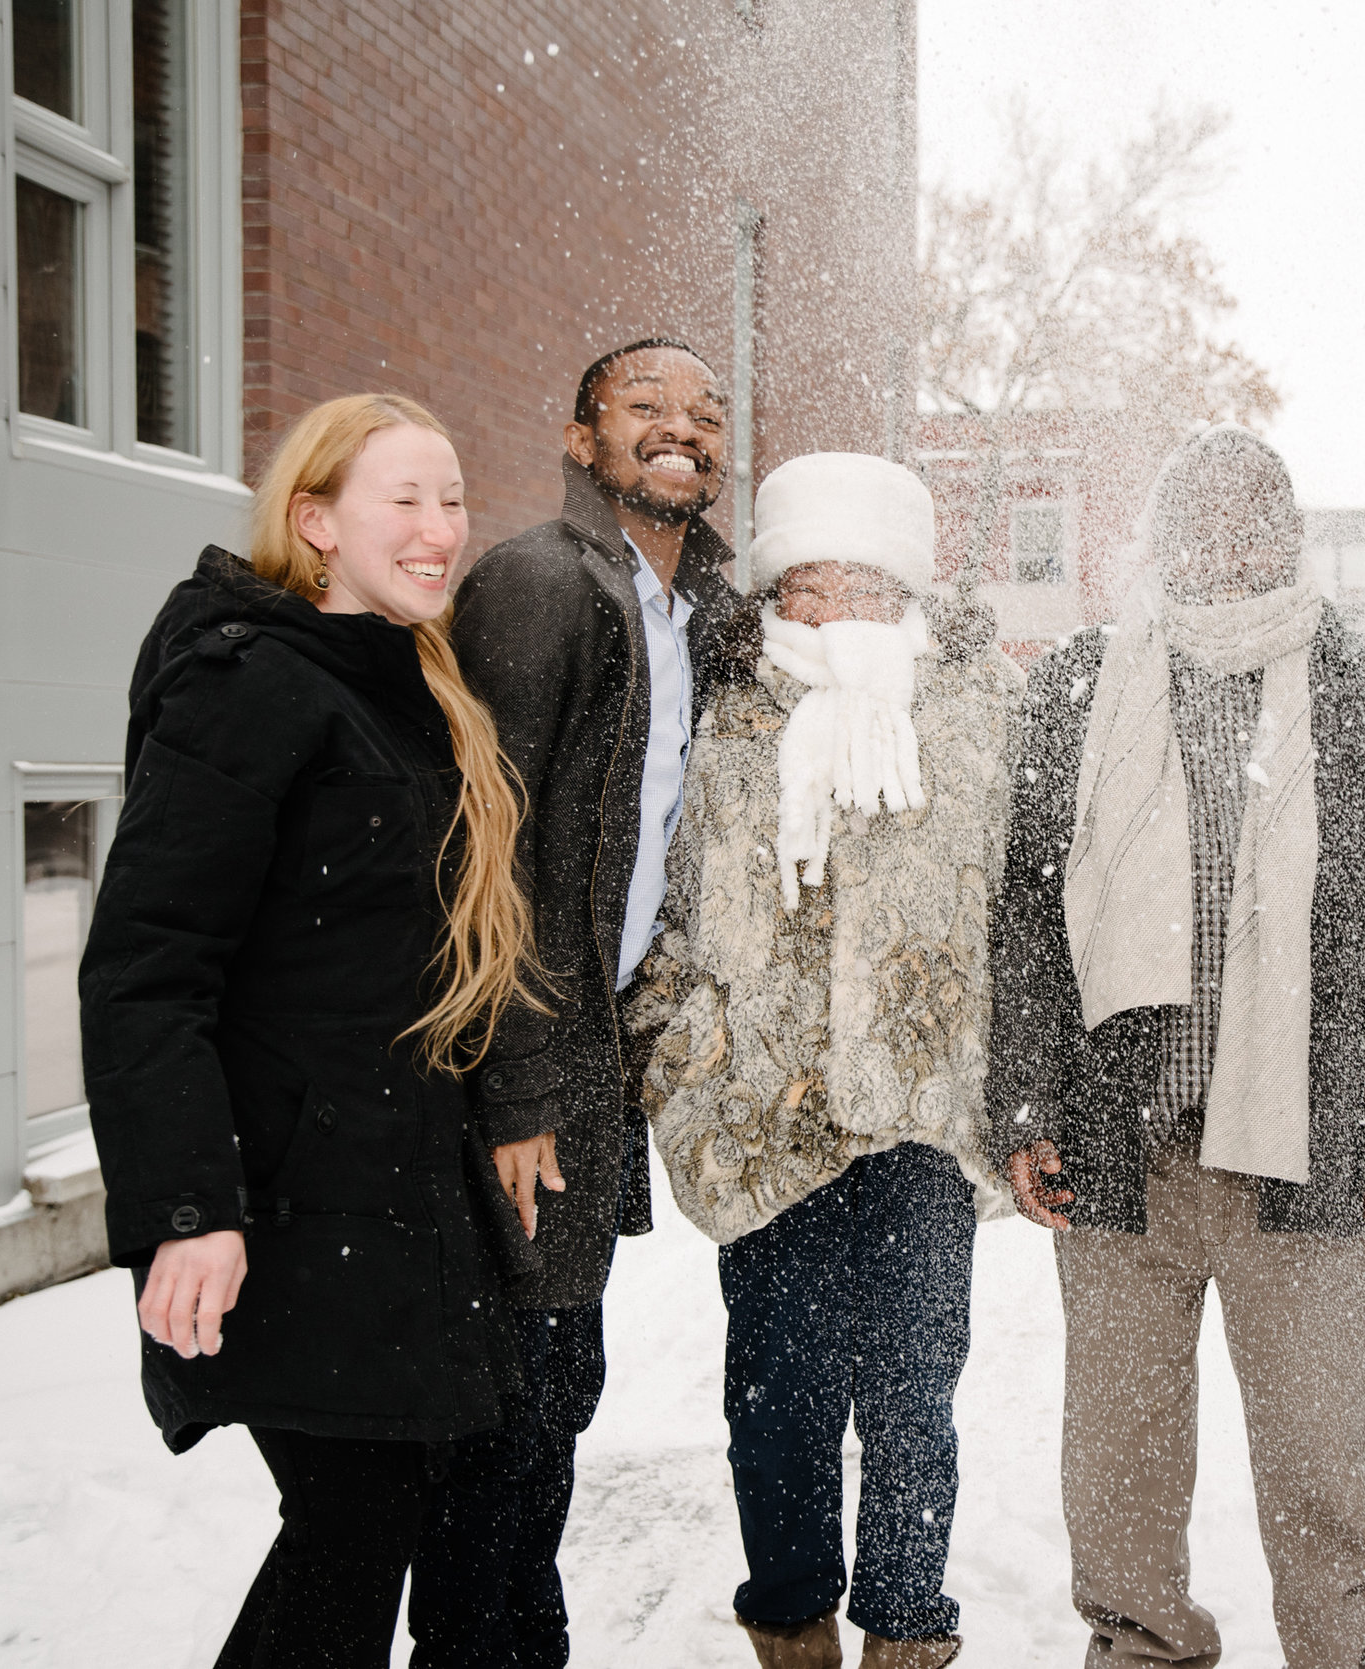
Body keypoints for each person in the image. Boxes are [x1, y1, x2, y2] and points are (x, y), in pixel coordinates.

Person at [80, 393, 536, 1667]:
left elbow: (416, 957)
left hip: (390, 1199)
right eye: (406, 499)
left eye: (452, 498)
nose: (442, 528)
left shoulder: (400, 681)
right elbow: (146, 968)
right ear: (315, 521)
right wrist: (187, 1206)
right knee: (354, 1517)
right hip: (288, 1201)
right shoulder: (252, 685)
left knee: (387, 1513)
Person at [987, 427, 1365, 1669]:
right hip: (1120, 1144)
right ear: (1160, 538)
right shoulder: (1084, 681)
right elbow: (1029, 907)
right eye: (1200, 519)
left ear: (1288, 536)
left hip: (1297, 1146)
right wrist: (1025, 1107)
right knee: (1119, 1452)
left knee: (1316, 1449)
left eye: (1253, 519)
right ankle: (1141, 1648)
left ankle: (1339, 1651)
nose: (1226, 543)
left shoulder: (1352, 683)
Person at [624, 451, 1018, 1669]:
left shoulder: (979, 702)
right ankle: (791, 1616)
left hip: (924, 1108)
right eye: (803, 579)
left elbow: (1025, 896)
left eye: (858, 576)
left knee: (912, 1389)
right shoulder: (717, 702)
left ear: (902, 581)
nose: (829, 603)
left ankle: (908, 1620)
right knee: (778, 1392)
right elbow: (659, 890)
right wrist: (683, 1050)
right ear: (770, 584)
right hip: (759, 1107)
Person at [413, 338, 748, 1668]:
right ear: (579, 439)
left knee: (548, 1404)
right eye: (647, 407)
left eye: (707, 412)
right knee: (506, 1422)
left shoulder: (694, 613)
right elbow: (482, 863)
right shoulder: (541, 587)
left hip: (583, 1073)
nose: (684, 428)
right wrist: (516, 1094)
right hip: (514, 1085)